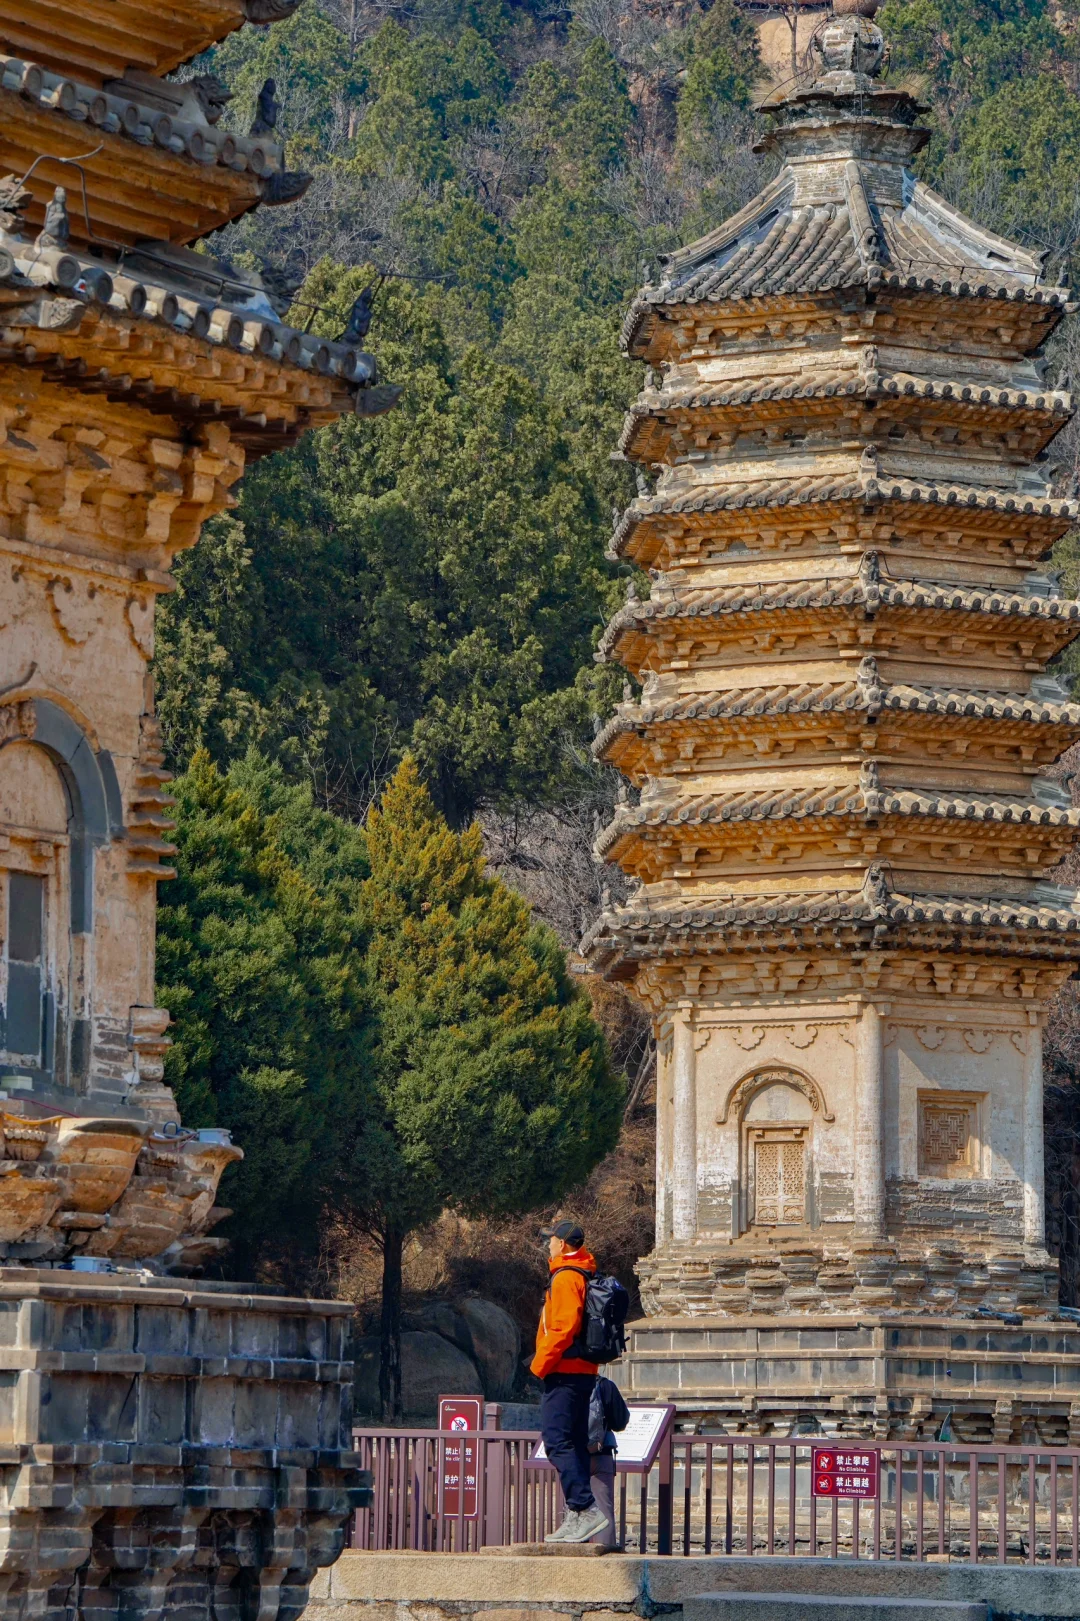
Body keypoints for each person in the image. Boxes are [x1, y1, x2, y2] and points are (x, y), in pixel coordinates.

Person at [531, 1219, 610, 1544]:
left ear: (562, 1244)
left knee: (556, 1440)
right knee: (575, 1442)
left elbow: (562, 1329)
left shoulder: (565, 1277)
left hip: (564, 1370)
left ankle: (584, 1508)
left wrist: (539, 1365)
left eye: (550, 1240)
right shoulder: (583, 1272)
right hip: (582, 1371)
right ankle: (576, 1515)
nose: (548, 1244)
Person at [588, 1375, 630, 1547]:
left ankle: (573, 1557)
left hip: (571, 1456)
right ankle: (606, 1555)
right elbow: (620, 1422)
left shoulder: (564, 1384)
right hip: (600, 1452)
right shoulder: (605, 1385)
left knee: (574, 1508)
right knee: (604, 1509)